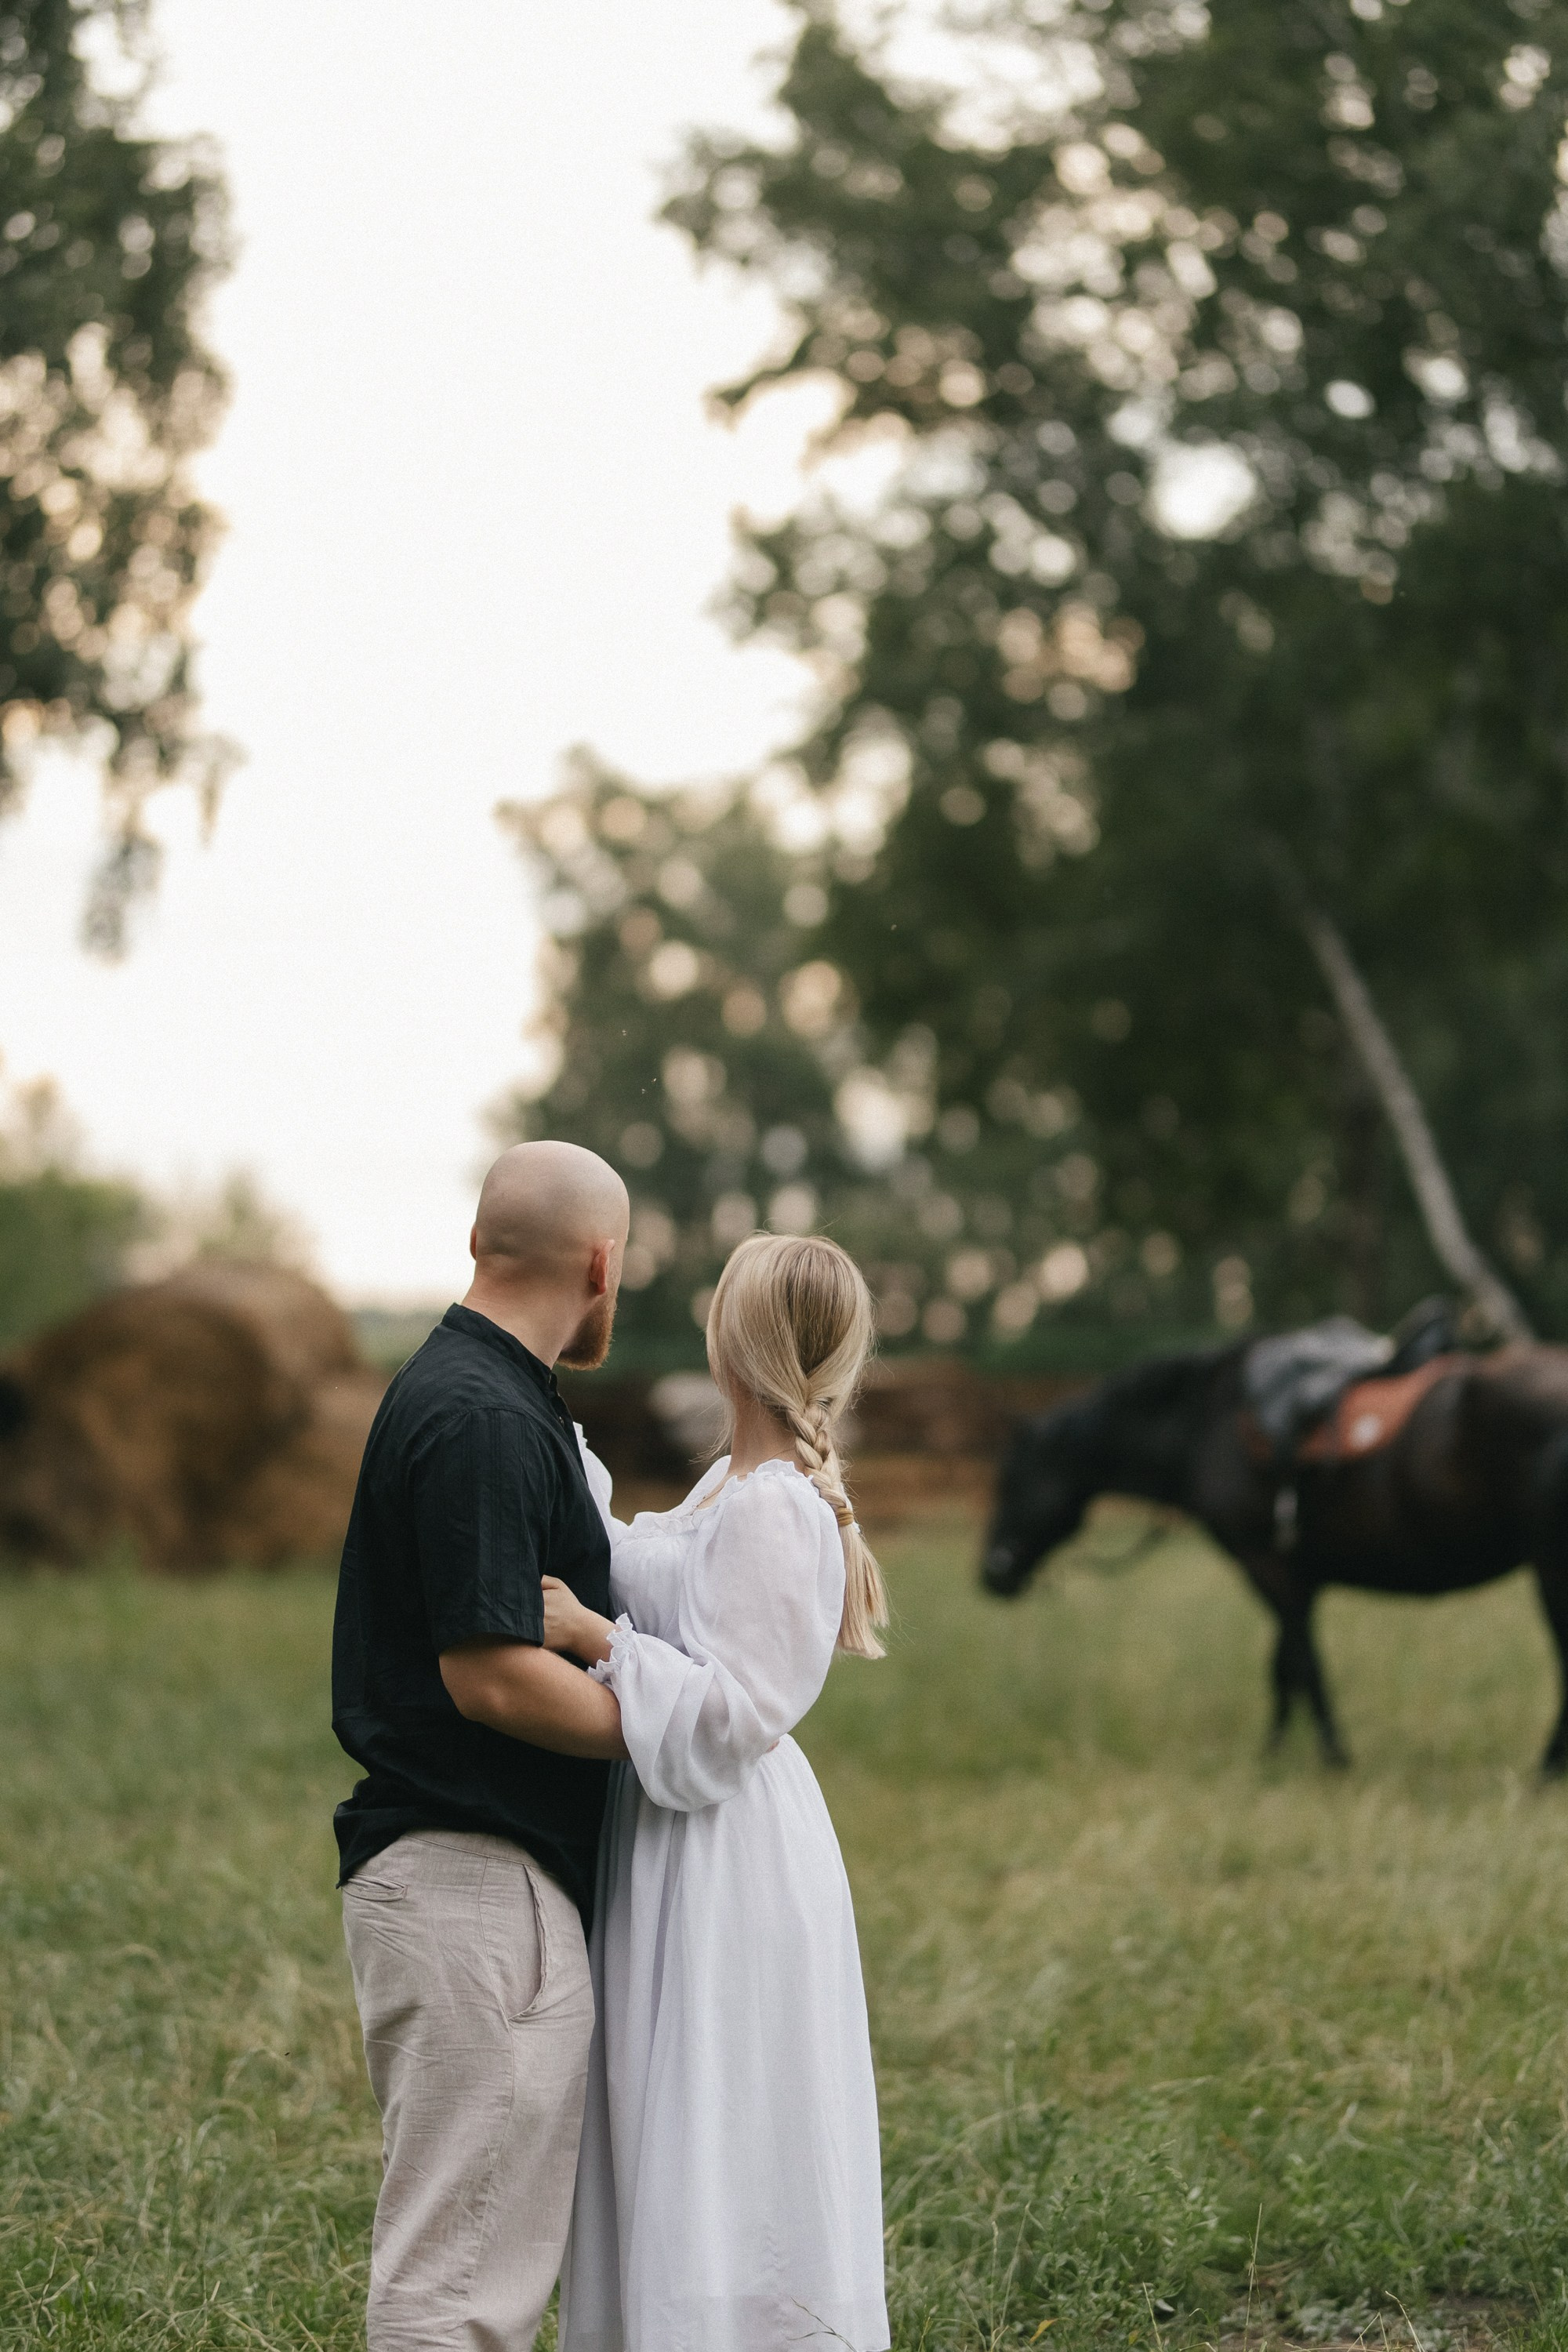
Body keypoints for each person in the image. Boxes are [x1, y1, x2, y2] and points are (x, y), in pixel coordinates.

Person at [547, 1231, 892, 2352]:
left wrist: (596, 1636)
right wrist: (554, 1454)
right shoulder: (726, 1488)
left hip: (726, 1845)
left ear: (734, 1336)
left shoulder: (777, 1508)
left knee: (719, 2109)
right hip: (675, 1834)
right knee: (677, 2106)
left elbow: (739, 1713)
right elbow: (643, 1561)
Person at [332, 1140, 631, 2352]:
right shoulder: (484, 1416)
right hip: (475, 1888)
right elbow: (492, 1672)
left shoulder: (478, 1395)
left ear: (476, 1242)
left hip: (474, 1888)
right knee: (456, 2292)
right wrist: (670, 1726)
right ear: (604, 1265)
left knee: (482, 2282)